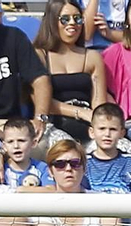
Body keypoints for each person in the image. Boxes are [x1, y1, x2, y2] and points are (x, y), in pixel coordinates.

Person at [32, 0, 108, 142]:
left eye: (78, 18)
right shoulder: (39, 55)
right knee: (66, 147)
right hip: (53, 124)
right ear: (52, 21)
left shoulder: (93, 57)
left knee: (125, 148)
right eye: (65, 19)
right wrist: (80, 112)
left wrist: (98, 121)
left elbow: (99, 102)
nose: (72, 23)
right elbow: (39, 101)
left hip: (89, 124)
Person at [83, 102, 131, 192]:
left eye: (113, 129)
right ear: (92, 132)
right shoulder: (84, 162)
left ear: (122, 133)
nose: (107, 134)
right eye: (102, 129)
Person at [0, 118, 52, 186]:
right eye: (10, 141)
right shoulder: (0, 170)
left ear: (33, 143)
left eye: (21, 141)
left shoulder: (43, 168)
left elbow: (51, 190)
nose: (16, 146)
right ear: (4, 146)